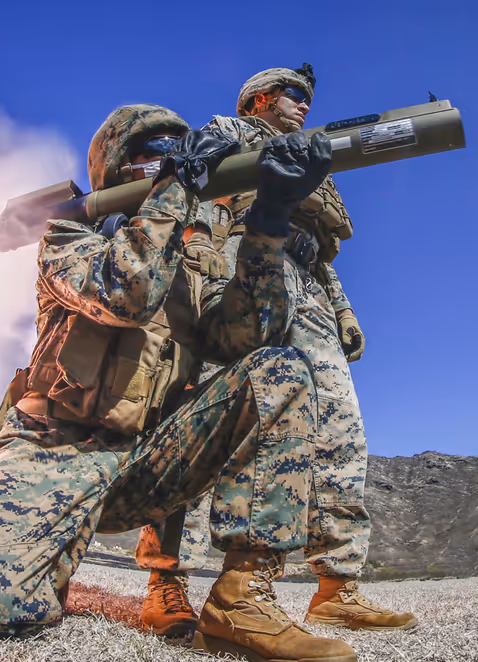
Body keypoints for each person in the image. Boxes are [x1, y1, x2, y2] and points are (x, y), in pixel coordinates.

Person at [0, 104, 358, 662]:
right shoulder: (70, 234)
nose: (168, 160)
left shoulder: (196, 262)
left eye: (177, 150)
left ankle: (241, 600)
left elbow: (251, 337)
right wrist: (175, 188)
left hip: (148, 465)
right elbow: (129, 293)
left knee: (280, 371)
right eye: (152, 152)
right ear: (118, 167)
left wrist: (270, 221)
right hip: (55, 450)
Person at [136, 65, 418, 634]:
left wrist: (341, 311)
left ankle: (337, 585)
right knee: (206, 420)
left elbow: (318, 251)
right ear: (260, 98)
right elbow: (203, 203)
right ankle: (166, 583)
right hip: (241, 276)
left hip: (307, 286)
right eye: (295, 95)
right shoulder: (233, 132)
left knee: (341, 431)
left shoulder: (311, 157)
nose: (304, 106)